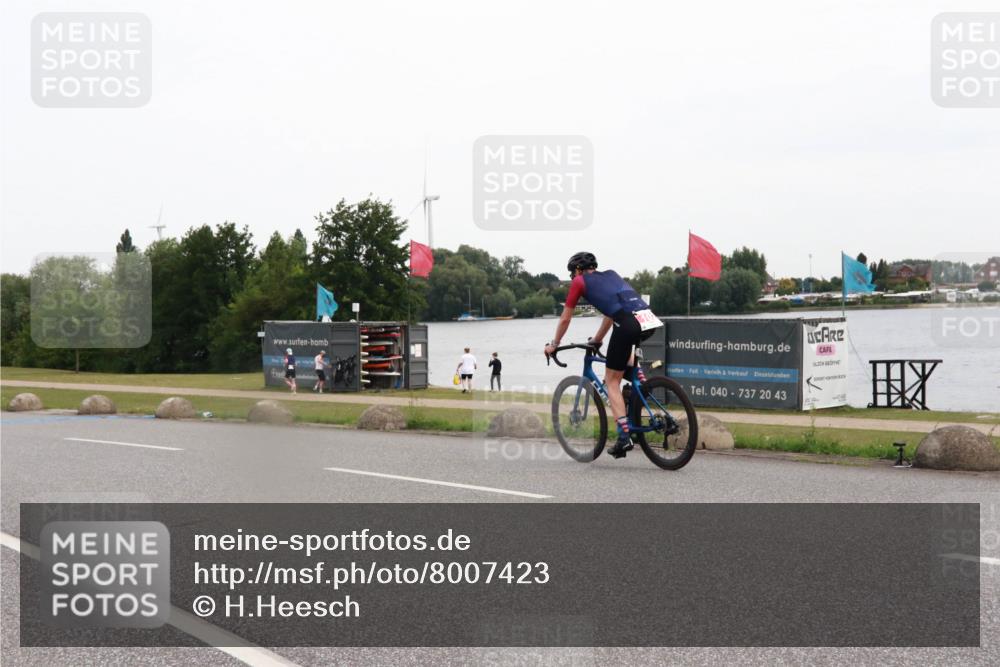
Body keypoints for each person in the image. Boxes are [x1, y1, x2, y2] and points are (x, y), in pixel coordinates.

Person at [543, 252, 663, 459]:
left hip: (627, 323)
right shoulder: (611, 274)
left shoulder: (580, 282)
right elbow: (611, 312)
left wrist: (554, 344)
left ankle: (624, 437)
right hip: (648, 319)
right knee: (623, 359)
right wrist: (598, 339)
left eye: (573, 273)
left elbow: (565, 319)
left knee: (611, 381)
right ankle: (639, 384)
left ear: (578, 270)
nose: (573, 277)